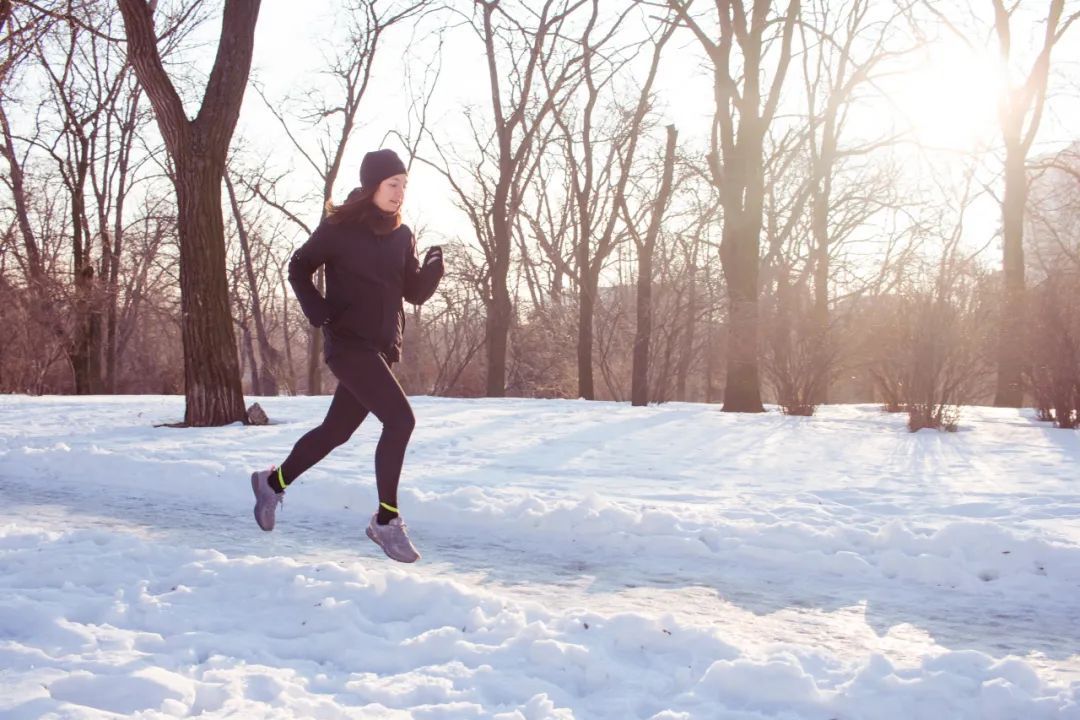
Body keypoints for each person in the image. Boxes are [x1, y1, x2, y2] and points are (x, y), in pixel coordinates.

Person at [249, 148, 444, 563]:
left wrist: (433, 268)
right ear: (373, 185)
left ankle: (273, 483)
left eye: (404, 186)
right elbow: (299, 266)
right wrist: (318, 312)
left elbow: (414, 292)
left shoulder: (401, 234)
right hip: (348, 344)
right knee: (401, 419)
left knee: (336, 432)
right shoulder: (339, 229)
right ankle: (386, 521)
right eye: (393, 185)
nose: (399, 194)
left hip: (381, 349)